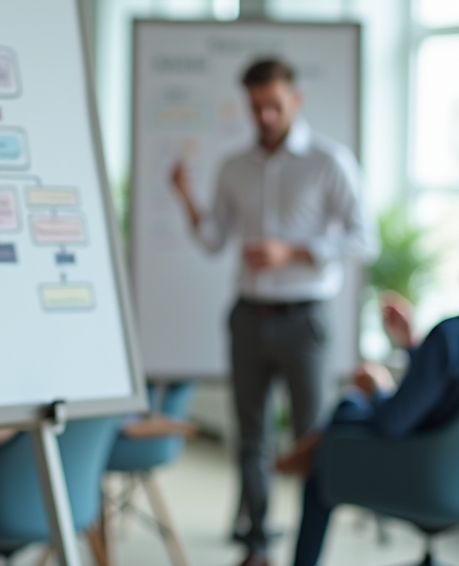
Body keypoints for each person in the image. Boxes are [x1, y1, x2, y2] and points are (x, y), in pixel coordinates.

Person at [170, 58, 375, 566]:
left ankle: (308, 552)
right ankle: (257, 542)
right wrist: (186, 199)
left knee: (310, 438)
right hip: (247, 316)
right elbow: (213, 240)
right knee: (252, 437)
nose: (264, 117)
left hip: (304, 319)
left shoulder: (330, 161)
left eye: (274, 106)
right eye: (256, 107)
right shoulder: (234, 166)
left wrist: (294, 252)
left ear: (295, 100)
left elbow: (363, 238)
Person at [276, 213, 459, 566]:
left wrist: (376, 387)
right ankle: (310, 448)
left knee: (333, 443)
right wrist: (414, 344)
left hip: (426, 470)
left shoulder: (453, 335)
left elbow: (393, 422)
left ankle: (309, 453)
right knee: (346, 415)